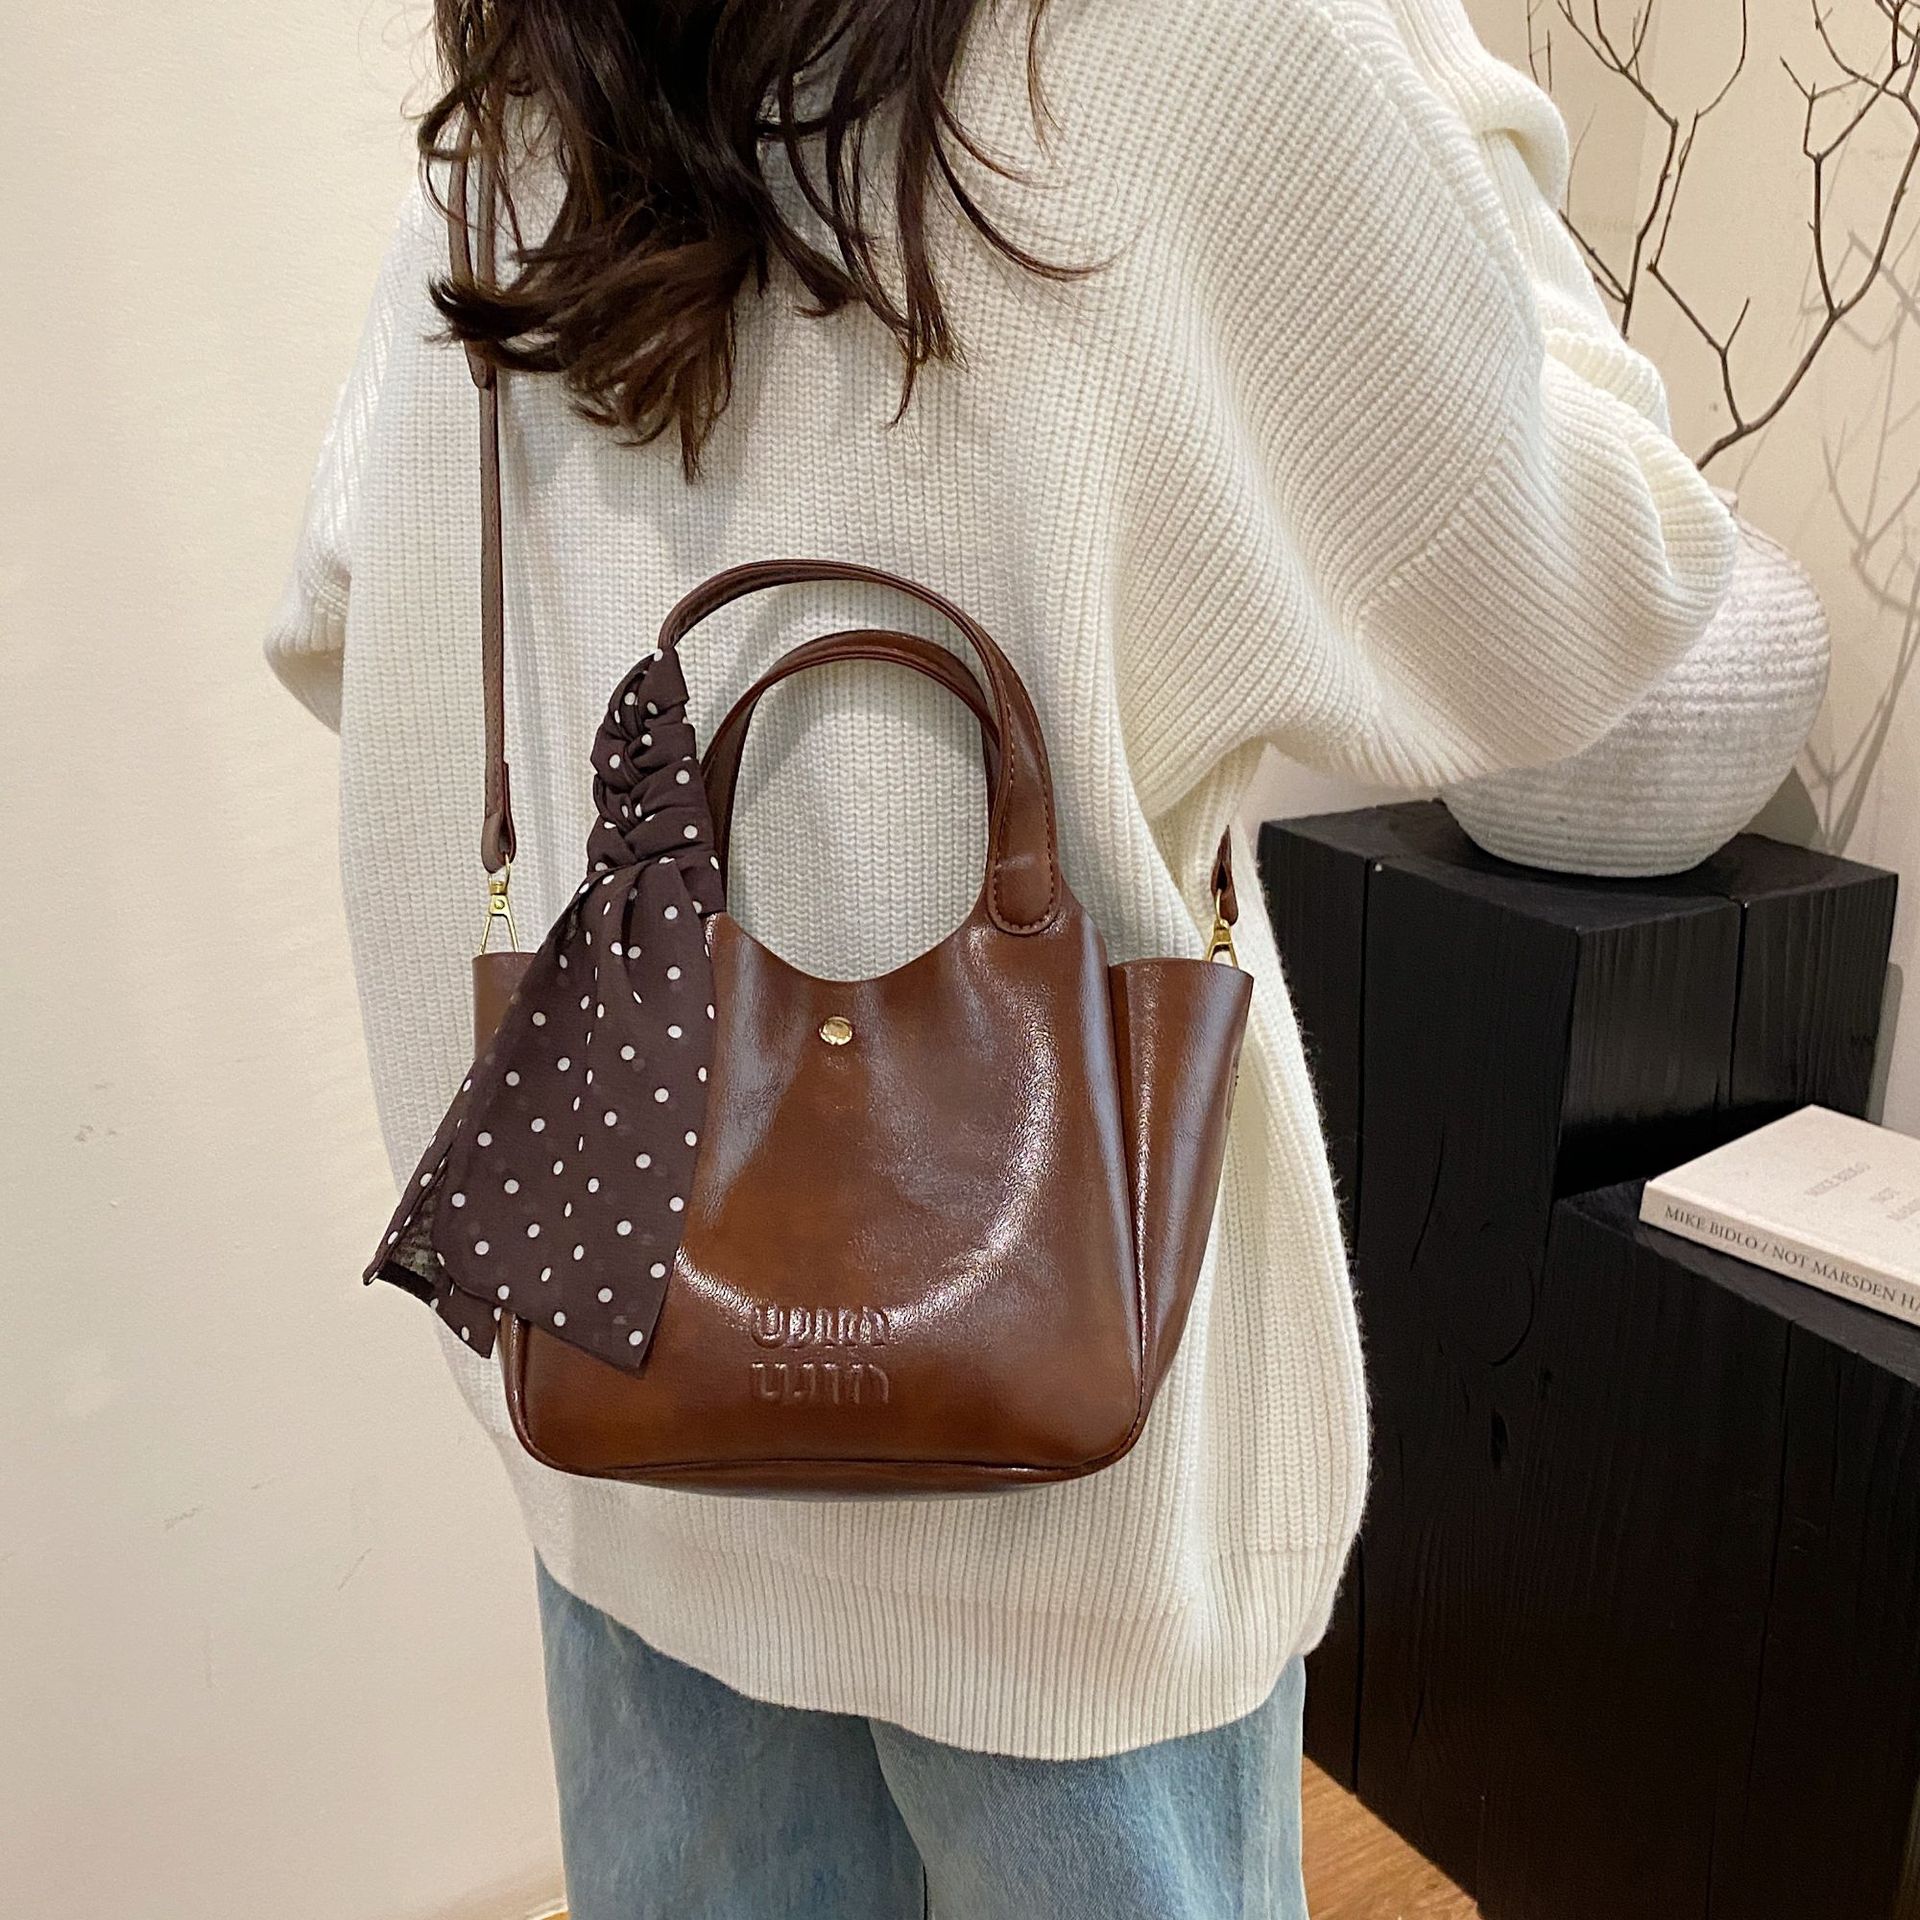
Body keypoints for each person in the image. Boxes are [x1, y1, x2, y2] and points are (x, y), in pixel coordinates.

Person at [268, 0, 1735, 1913]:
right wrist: (1440, 81)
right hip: (1067, 1531)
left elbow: (338, 618)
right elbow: (1596, 586)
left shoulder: (532, 100)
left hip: (628, 1437)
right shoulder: (1196, 45)